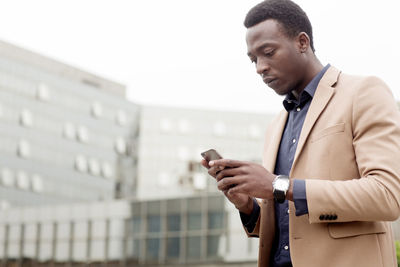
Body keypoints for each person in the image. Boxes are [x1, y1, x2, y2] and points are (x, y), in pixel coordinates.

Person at [201, 0, 400, 266]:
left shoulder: (363, 92)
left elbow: (386, 196)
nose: (260, 67)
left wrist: (278, 185)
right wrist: (247, 205)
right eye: (253, 59)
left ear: (302, 42)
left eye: (268, 52)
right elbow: (290, 231)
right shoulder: (275, 126)